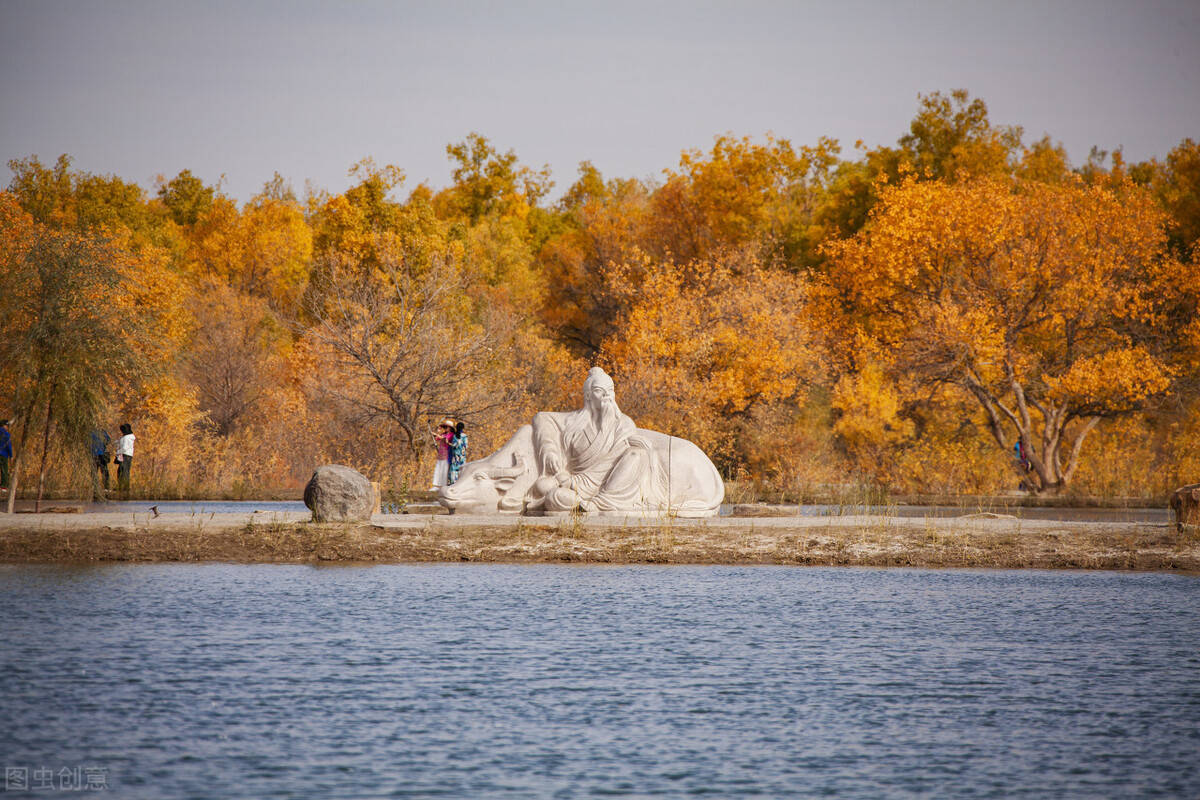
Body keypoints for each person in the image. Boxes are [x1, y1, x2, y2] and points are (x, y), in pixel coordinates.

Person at [527, 367, 661, 514]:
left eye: (610, 390)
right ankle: (583, 503)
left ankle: (599, 503)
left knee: (638, 454)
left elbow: (626, 460)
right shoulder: (573, 422)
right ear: (589, 395)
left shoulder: (624, 423)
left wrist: (631, 445)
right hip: (575, 486)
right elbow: (541, 417)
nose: (606, 395)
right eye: (599, 390)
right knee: (555, 496)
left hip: (611, 487)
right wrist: (549, 451)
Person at [429, 418, 454, 491]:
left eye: (446, 427)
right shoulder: (443, 434)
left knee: (444, 470)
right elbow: (437, 438)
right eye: (444, 427)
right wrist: (438, 432)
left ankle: (443, 486)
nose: (445, 428)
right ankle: (436, 485)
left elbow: (444, 439)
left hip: (446, 454)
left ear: (450, 428)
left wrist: (437, 434)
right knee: (438, 469)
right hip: (440, 454)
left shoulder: (451, 435)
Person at [90, 428, 112, 499]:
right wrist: (103, 445)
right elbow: (108, 440)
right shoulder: (103, 432)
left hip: (93, 455)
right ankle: (106, 488)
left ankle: (95, 488)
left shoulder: (90, 432)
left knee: (94, 472)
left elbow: (87, 443)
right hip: (102, 454)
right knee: (105, 472)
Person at [115, 423, 135, 494]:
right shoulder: (127, 437)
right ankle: (123, 487)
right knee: (122, 471)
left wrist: (118, 452)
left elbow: (125, 447)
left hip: (125, 455)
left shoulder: (127, 437)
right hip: (126, 455)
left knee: (123, 471)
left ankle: (125, 488)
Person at [0, 419, 11, 495]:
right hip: (3, 454)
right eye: (7, 426)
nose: (7, 427)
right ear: (4, 425)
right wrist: (11, 455)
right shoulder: (6, 434)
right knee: (4, 470)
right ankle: (3, 486)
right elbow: (8, 446)